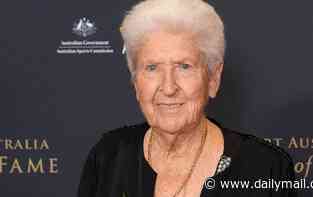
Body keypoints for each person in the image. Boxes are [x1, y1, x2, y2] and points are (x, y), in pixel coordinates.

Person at [78, 0, 297, 197]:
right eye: (152, 68)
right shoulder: (108, 157)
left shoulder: (267, 167)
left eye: (184, 66)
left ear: (212, 78)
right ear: (136, 82)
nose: (168, 87)